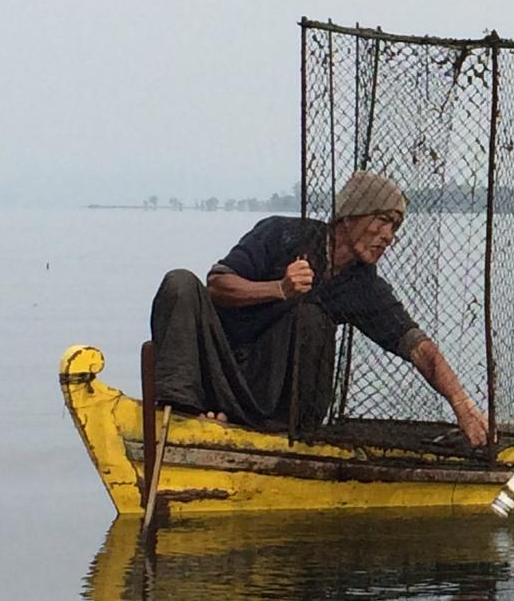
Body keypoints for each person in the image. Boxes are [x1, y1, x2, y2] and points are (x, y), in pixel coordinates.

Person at [147, 171, 488, 446]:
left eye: (395, 227)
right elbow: (218, 285)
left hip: (274, 400)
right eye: (383, 220)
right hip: (224, 370)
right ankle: (182, 414)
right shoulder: (280, 234)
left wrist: (463, 405)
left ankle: (273, 432)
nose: (389, 236)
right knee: (180, 283)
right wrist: (278, 289)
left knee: (311, 316)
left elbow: (419, 348)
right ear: (350, 216)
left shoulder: (364, 286)